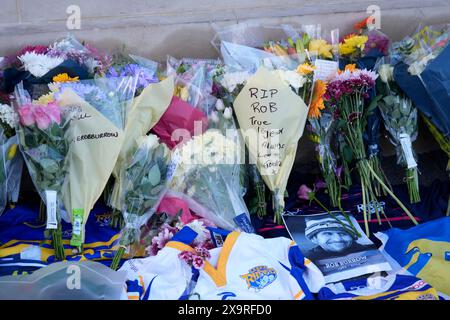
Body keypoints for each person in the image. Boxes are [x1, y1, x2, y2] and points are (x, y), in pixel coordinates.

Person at [304, 215, 370, 261]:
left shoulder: (369, 251)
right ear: (314, 239)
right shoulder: (307, 259)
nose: (337, 239)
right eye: (328, 233)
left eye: (343, 233)